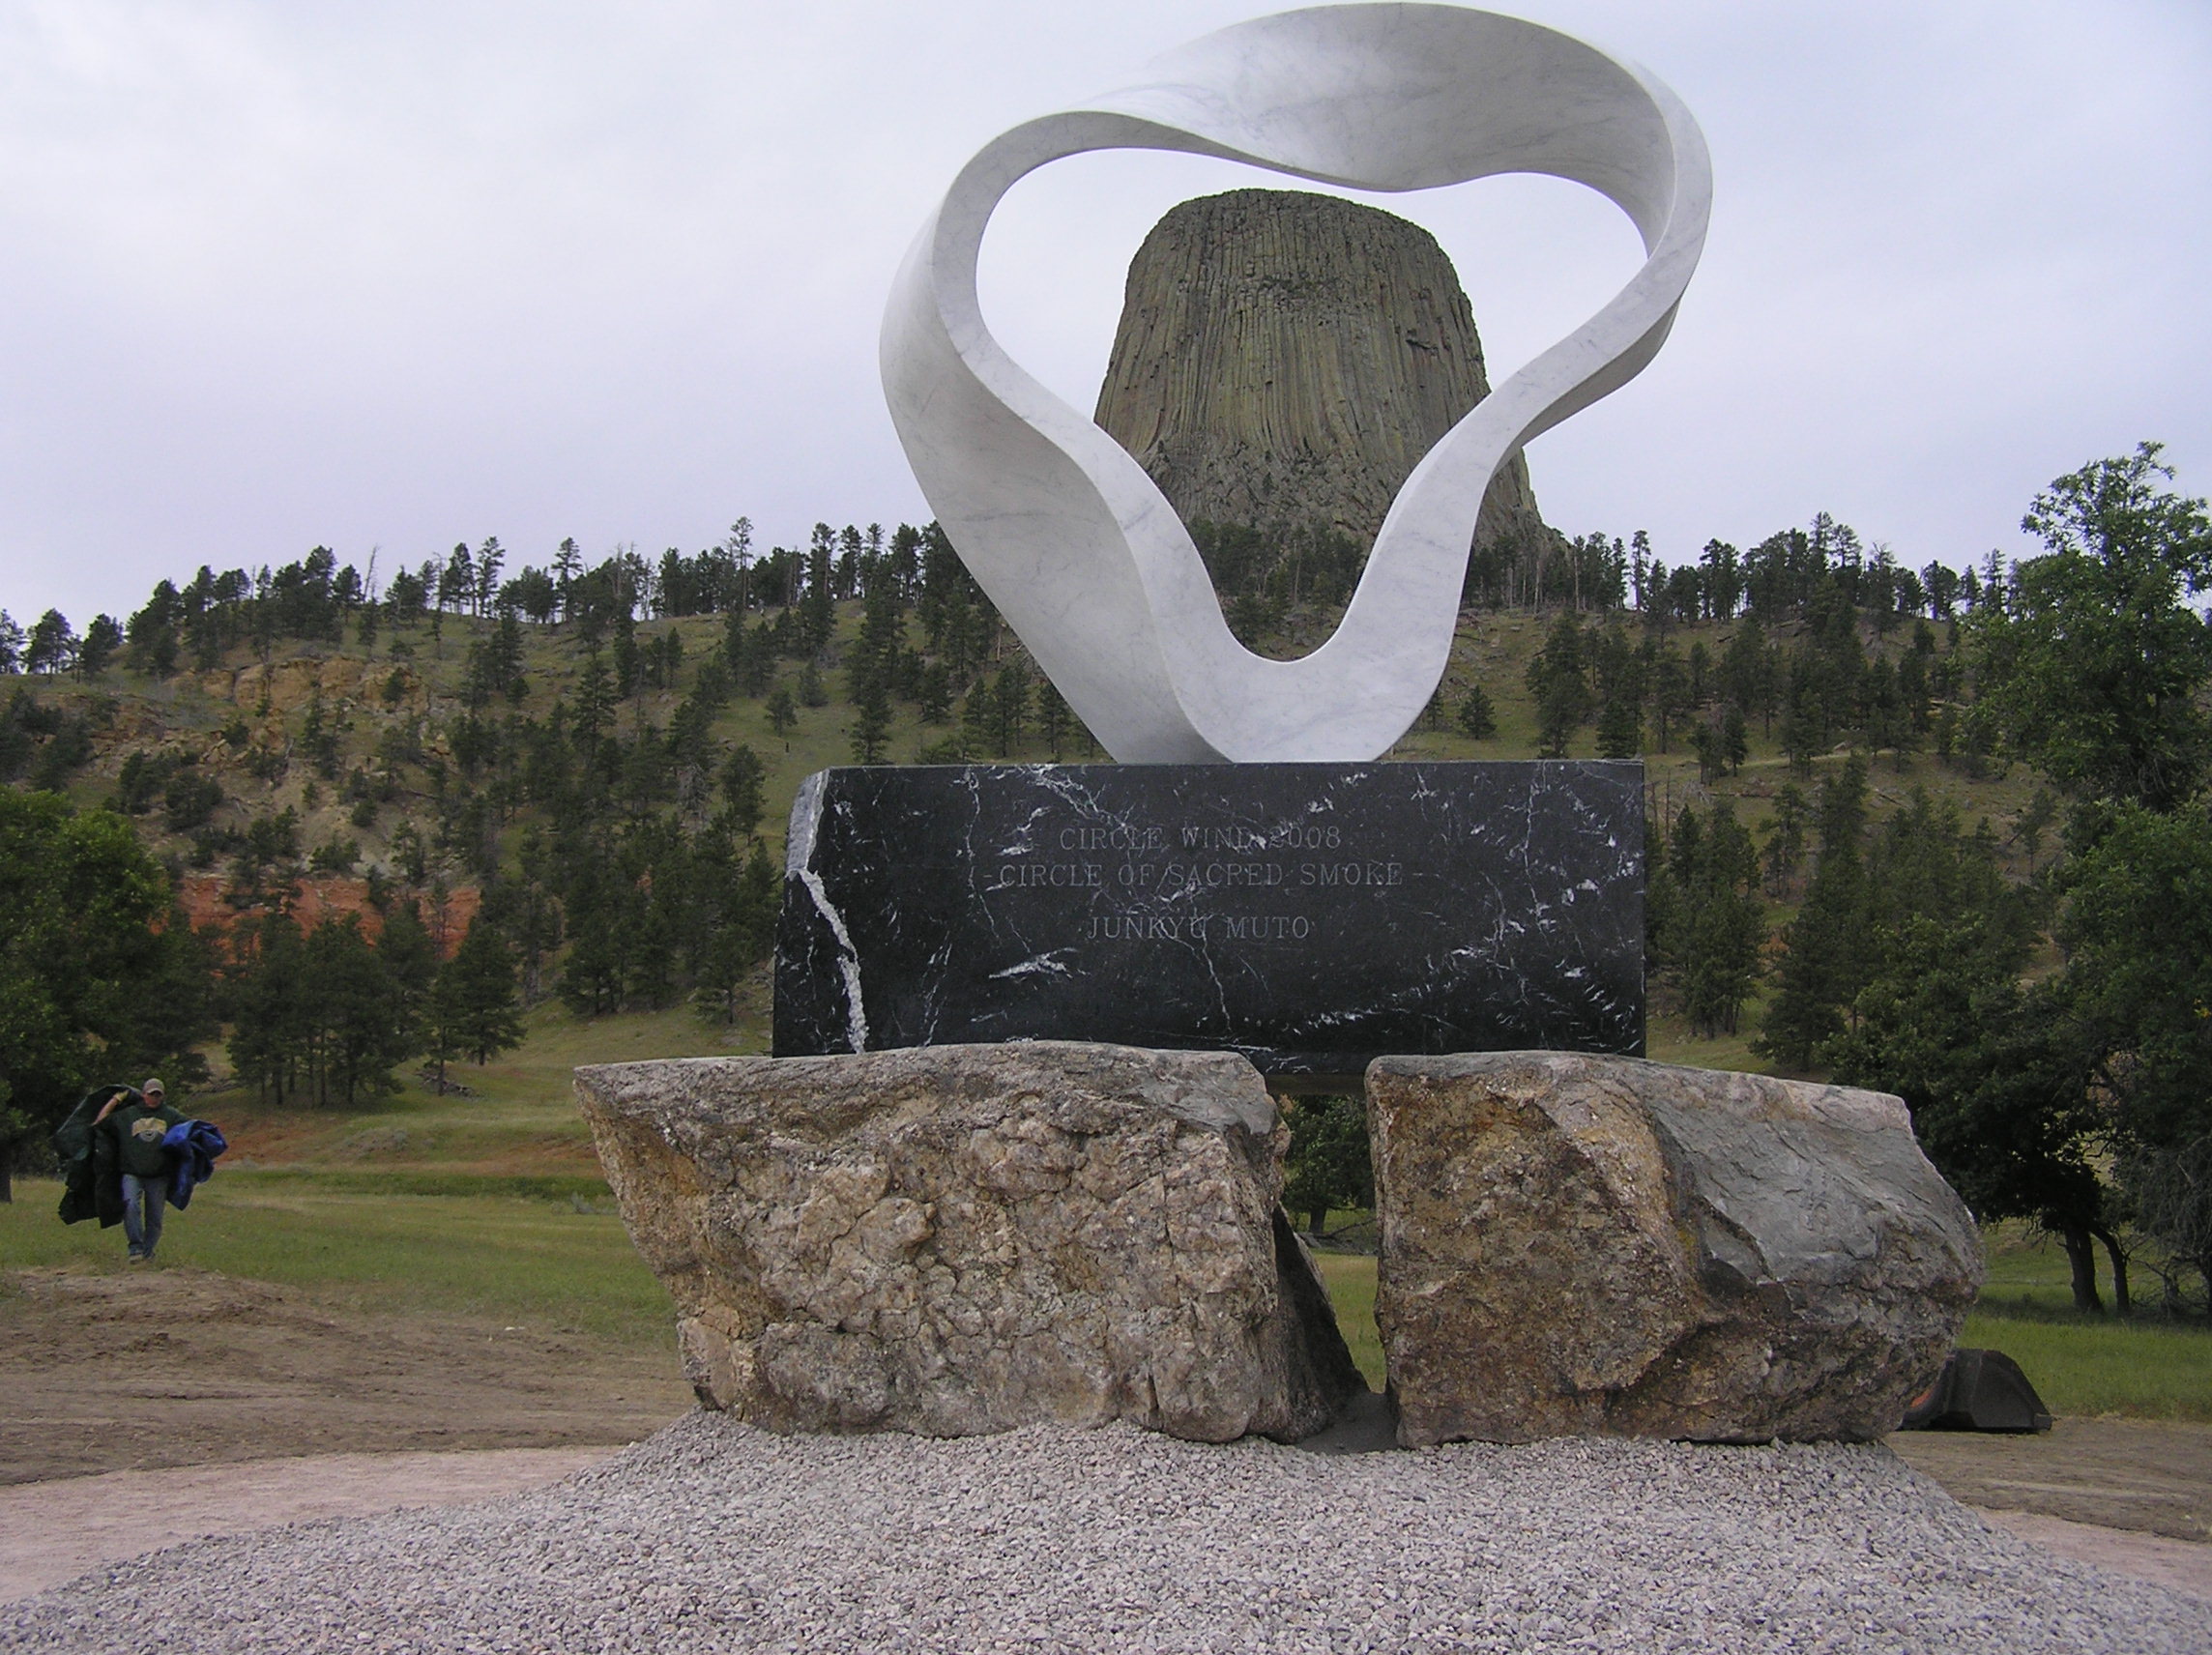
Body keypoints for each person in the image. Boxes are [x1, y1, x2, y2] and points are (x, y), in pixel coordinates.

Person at [94, 1079, 188, 1263]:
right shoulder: (128, 1115)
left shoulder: (170, 1115)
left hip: (159, 1175)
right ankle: (135, 1247)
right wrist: (115, 1100)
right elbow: (100, 1122)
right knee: (130, 1206)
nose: (154, 1098)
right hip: (132, 1172)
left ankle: (147, 1253)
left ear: (162, 1096)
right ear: (143, 1094)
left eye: (158, 1094)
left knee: (155, 1218)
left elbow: (191, 1128)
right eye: (151, 1094)